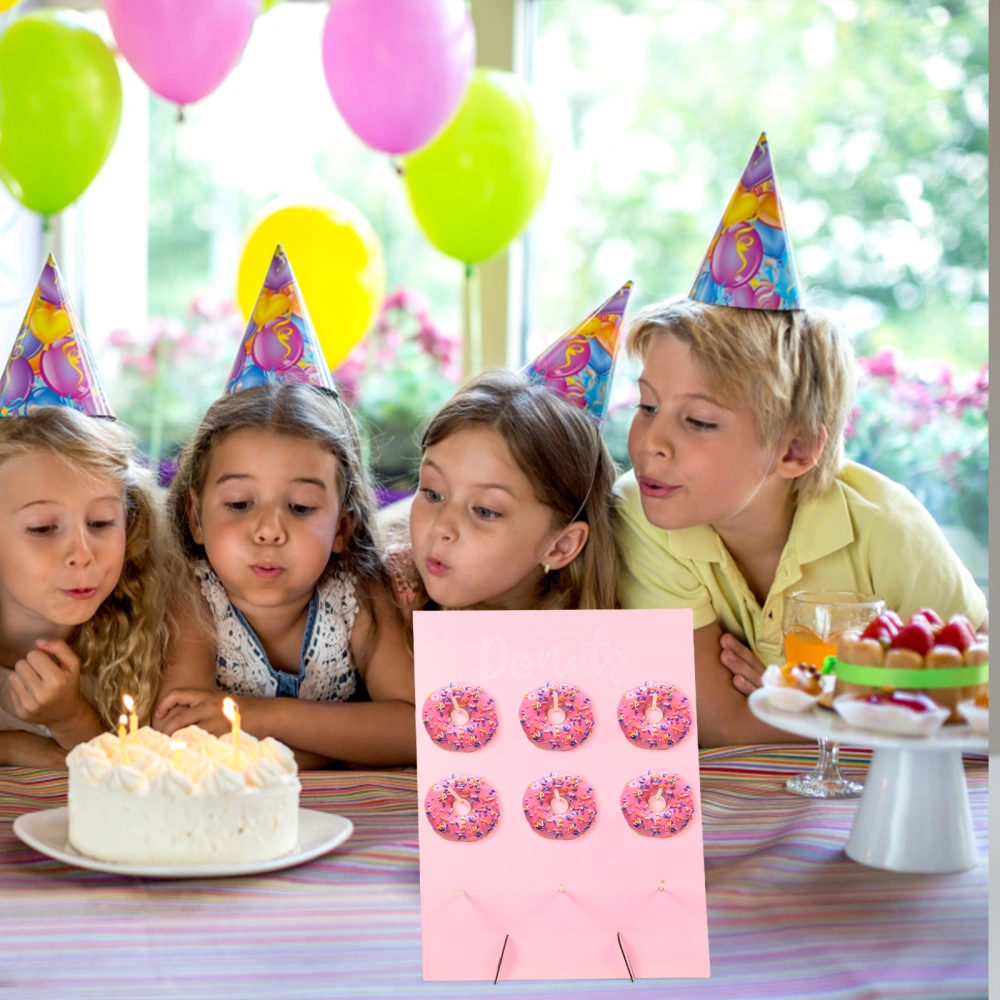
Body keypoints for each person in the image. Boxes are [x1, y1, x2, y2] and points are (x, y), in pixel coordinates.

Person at [615, 135, 986, 747]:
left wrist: (814, 705)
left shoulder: (888, 530)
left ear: (795, 449)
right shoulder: (647, 514)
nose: (650, 441)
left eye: (699, 421)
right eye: (647, 404)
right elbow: (721, 724)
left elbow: (972, 701)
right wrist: (840, 702)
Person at [154, 247, 415, 768]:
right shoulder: (193, 598)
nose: (269, 530)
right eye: (239, 503)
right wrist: (332, 750)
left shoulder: (359, 595)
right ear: (195, 518)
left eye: (299, 507)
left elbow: (414, 728)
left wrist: (258, 716)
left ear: (343, 527)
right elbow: (185, 736)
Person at [0, 258, 177, 767]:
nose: (82, 554)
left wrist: (66, 716)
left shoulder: (140, 623)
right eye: (42, 528)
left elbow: (137, 773)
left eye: (101, 523)